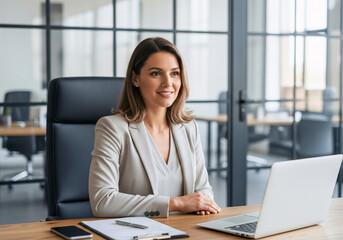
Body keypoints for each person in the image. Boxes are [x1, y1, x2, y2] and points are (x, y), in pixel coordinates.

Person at [89, 37, 221, 218]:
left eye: (174, 73)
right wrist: (176, 203)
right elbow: (103, 201)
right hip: (136, 234)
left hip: (187, 231)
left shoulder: (189, 128)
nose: (168, 83)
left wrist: (204, 201)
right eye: (156, 74)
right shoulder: (112, 128)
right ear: (135, 78)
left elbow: (203, 188)